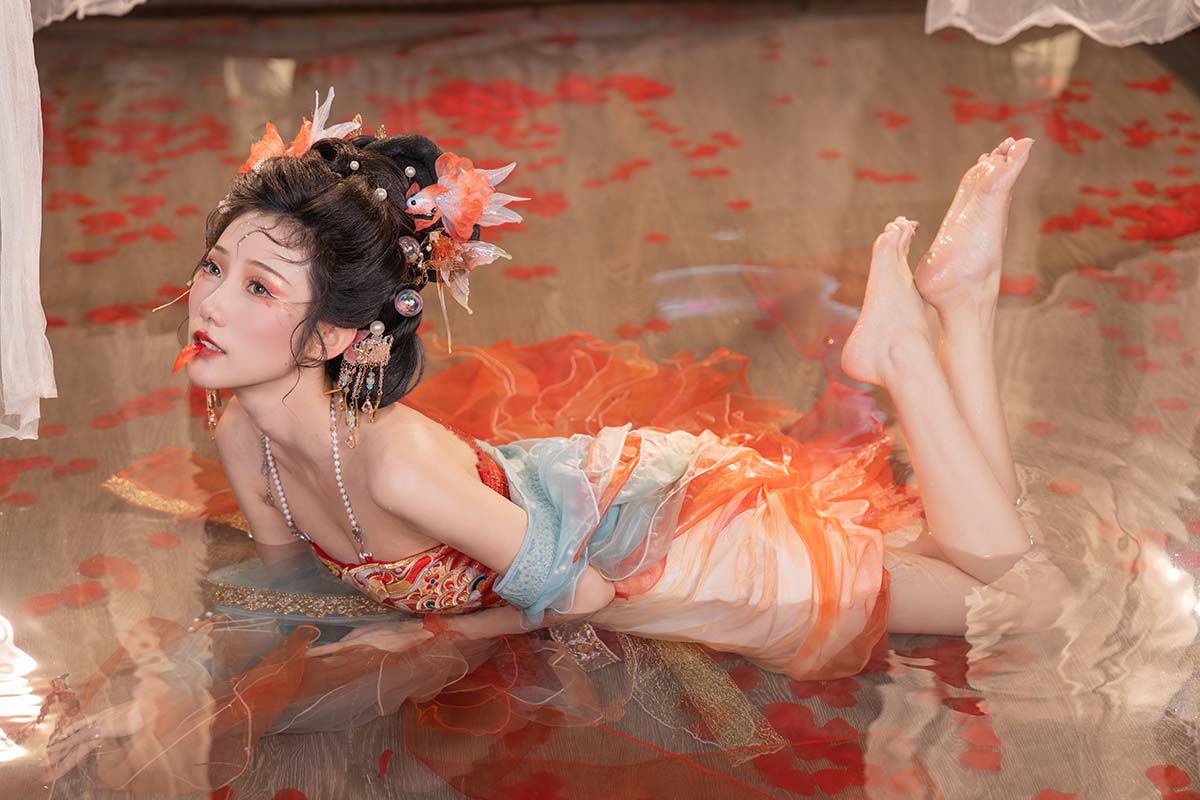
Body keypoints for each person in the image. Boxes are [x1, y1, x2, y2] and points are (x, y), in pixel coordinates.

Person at [43, 87, 1068, 794]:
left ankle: (909, 348)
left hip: (669, 545)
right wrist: (174, 697)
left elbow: (583, 596)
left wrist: (444, 637)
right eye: (215, 266)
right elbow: (289, 598)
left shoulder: (394, 462)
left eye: (258, 286)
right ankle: (962, 303)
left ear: (340, 336)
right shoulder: (243, 433)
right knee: (980, 550)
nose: (209, 304)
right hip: (595, 504)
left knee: (1023, 599)